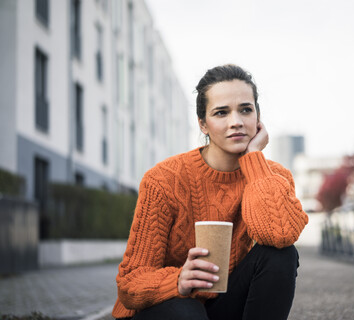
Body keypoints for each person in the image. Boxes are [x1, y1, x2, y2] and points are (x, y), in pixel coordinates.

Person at [111, 64, 309, 320]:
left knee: (281, 255)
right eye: (221, 113)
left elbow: (281, 234)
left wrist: (254, 160)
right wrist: (178, 280)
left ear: (258, 119)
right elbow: (129, 284)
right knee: (188, 310)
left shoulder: (273, 176)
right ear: (203, 124)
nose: (236, 122)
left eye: (245, 110)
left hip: (222, 307)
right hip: (168, 308)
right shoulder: (164, 180)